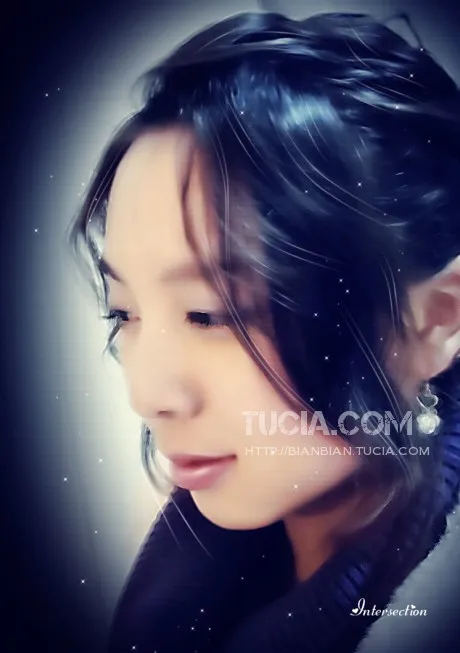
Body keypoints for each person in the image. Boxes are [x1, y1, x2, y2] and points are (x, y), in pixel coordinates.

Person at [68, 9, 460, 653]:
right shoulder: (173, 588)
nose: (148, 396)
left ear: (436, 320)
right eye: (124, 312)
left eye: (210, 313)